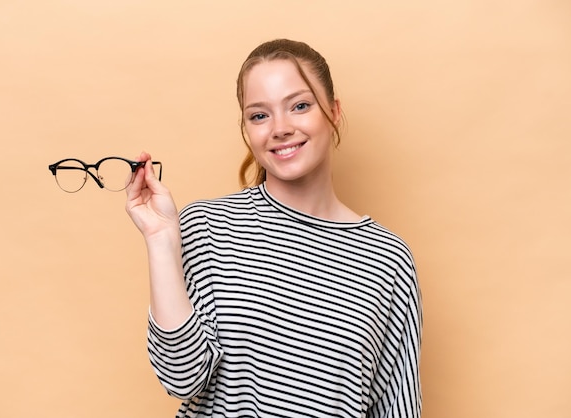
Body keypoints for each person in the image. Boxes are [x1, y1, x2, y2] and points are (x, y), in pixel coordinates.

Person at [125, 38, 422, 417]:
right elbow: (181, 377)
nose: (280, 129)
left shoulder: (388, 259)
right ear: (246, 128)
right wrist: (161, 239)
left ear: (332, 111)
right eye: (259, 115)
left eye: (299, 106)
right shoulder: (208, 227)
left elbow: (398, 407)